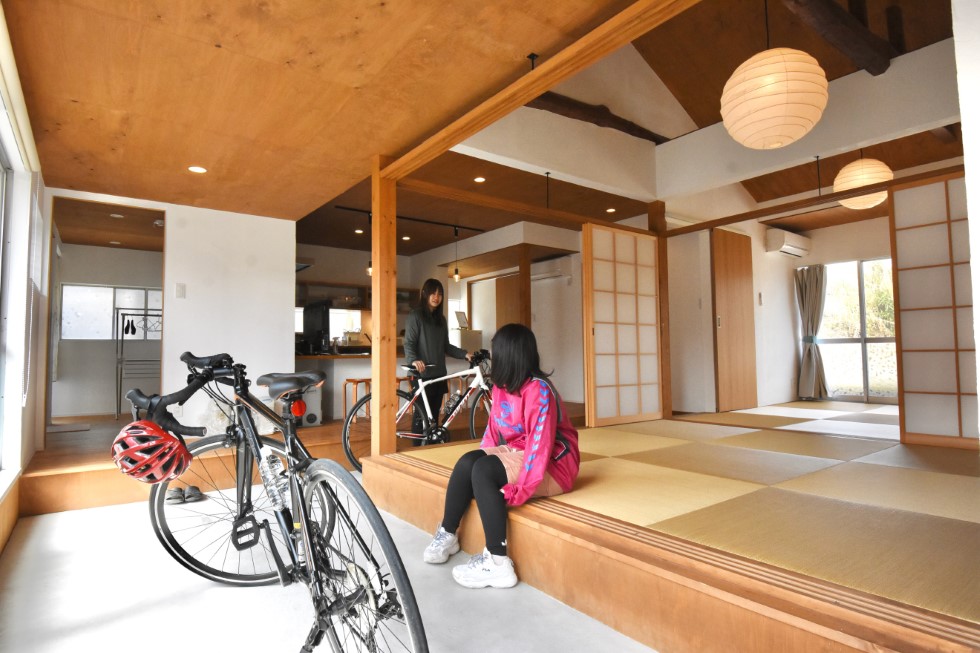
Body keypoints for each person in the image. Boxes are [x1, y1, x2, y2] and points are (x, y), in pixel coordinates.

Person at [422, 323, 580, 589]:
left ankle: (498, 563)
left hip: (555, 464)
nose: (493, 358)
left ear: (510, 355)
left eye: (496, 352)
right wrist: (478, 459)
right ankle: (447, 533)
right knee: (468, 463)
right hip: (521, 450)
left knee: (484, 471)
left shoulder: (539, 390)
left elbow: (540, 446)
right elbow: (493, 432)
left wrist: (521, 490)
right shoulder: (501, 388)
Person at [403, 278, 471, 440]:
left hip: (439, 373)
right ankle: (417, 449)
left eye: (440, 294)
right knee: (421, 416)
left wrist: (464, 354)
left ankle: (430, 445)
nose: (436, 297)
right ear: (425, 294)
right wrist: (413, 360)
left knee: (434, 414)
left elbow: (446, 346)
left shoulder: (441, 319)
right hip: (420, 374)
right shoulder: (415, 316)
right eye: (433, 293)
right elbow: (409, 343)